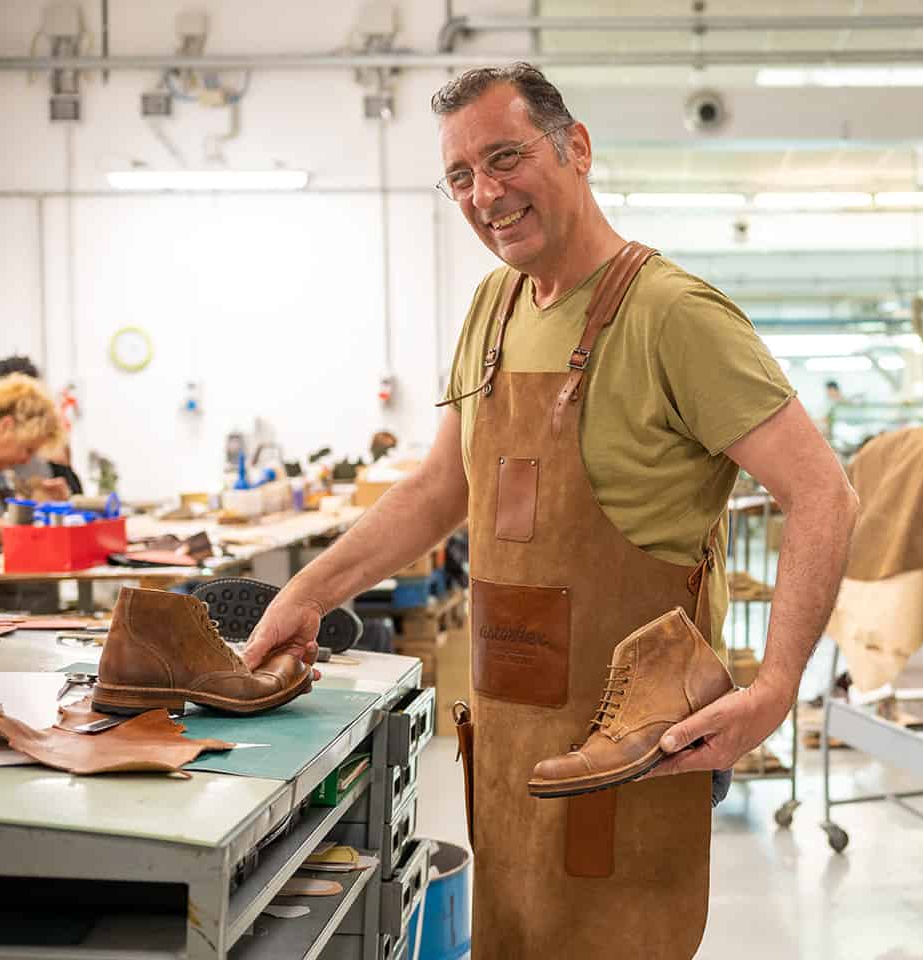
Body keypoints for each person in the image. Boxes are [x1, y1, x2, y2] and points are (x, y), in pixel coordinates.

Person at [245, 63, 858, 959]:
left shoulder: (673, 315)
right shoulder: (493, 307)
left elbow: (823, 495)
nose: (485, 194)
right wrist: (308, 590)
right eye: (460, 175)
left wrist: (772, 691)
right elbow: (438, 488)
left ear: (575, 148)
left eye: (505, 158)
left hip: (640, 743)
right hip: (509, 738)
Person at [0, 373, 67, 545]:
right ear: (5, 427)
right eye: (27, 450)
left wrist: (41, 505)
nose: (26, 460)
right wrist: (33, 527)